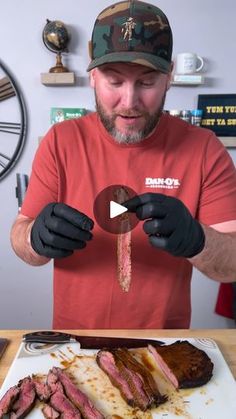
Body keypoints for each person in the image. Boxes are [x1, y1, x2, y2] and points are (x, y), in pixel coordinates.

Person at [11, 0, 236, 329]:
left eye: (147, 82)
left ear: (169, 76)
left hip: (164, 348)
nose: (129, 102)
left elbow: (231, 265)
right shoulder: (59, 141)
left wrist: (197, 239)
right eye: (114, 81)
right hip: (74, 346)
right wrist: (35, 237)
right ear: (92, 76)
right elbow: (20, 239)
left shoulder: (205, 149)